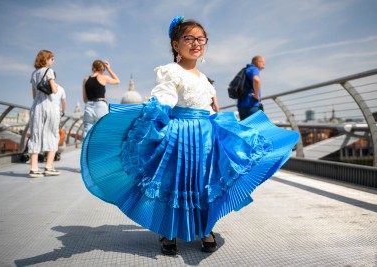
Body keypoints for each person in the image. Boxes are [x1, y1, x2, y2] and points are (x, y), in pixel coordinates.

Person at [80, 16, 299, 256]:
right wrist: (158, 109)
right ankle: (169, 230)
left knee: (204, 180)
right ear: (176, 44)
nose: (197, 43)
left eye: (201, 39)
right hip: (181, 134)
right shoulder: (170, 71)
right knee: (176, 180)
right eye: (190, 38)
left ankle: (205, 227)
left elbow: (208, 107)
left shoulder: (204, 78)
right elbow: (165, 97)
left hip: (206, 136)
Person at [28, 49, 61, 178]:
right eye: (52, 58)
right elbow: (53, 90)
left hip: (36, 106)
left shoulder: (34, 74)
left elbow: (34, 95)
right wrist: (56, 87)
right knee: (52, 134)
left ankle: (34, 168)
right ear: (46, 59)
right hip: (49, 105)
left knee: (35, 135)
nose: (53, 61)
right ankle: (48, 166)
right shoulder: (49, 71)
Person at [82, 59, 120, 137]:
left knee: (87, 132)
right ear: (102, 69)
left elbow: (85, 99)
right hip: (100, 105)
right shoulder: (103, 77)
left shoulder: (85, 79)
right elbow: (117, 81)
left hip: (88, 106)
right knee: (104, 130)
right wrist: (109, 69)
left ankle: (88, 149)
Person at [237, 55, 265, 120]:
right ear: (258, 62)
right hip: (251, 104)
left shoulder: (245, 70)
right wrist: (257, 95)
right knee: (254, 128)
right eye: (263, 64)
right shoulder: (254, 69)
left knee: (245, 128)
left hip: (241, 105)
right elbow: (256, 80)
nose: (264, 67)